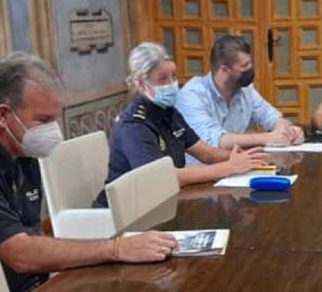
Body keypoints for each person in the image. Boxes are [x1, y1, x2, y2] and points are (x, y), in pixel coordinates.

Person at [0, 52, 177, 292]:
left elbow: (30, 234)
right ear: (4, 115)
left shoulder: (20, 149)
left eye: (55, 119)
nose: (54, 130)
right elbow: (21, 254)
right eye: (44, 120)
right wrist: (115, 249)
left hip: (16, 291)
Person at [98, 42, 268, 199]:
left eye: (173, 76)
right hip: (127, 212)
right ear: (141, 83)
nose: (171, 83)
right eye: (163, 79)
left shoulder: (169, 112)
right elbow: (166, 177)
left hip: (166, 201)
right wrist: (229, 167)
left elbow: (206, 153)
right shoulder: (134, 126)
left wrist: (245, 159)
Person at [177, 35, 305, 150]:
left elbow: (270, 115)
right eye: (245, 66)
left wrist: (286, 130)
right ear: (224, 70)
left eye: (250, 63)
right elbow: (213, 140)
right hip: (203, 167)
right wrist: (266, 138)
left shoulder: (245, 90)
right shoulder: (192, 95)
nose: (250, 69)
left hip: (237, 164)